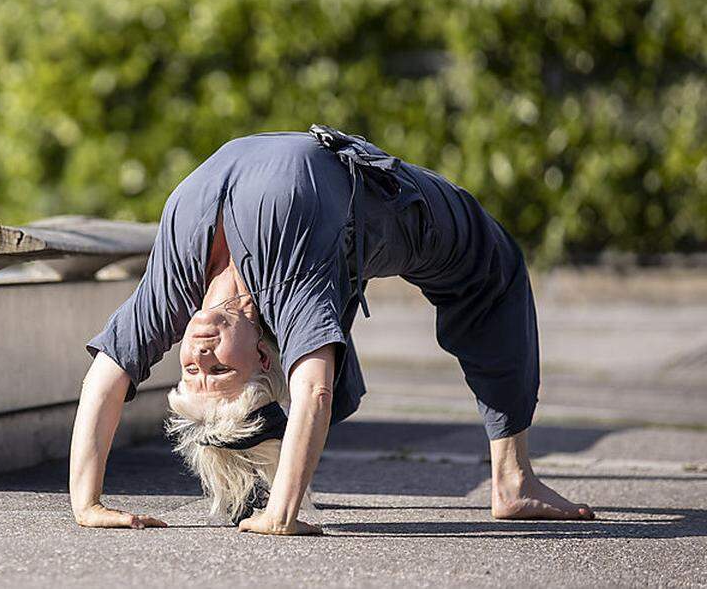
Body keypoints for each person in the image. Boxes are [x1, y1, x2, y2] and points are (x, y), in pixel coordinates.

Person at [68, 125, 595, 535]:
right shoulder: (286, 275)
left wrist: (87, 504)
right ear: (263, 359)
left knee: (323, 344)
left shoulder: (177, 286)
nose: (200, 350)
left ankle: (510, 476)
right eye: (219, 368)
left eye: (191, 368)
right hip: (378, 213)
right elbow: (314, 392)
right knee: (492, 262)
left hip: (313, 198)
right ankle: (513, 478)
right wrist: (282, 515)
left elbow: (106, 376)